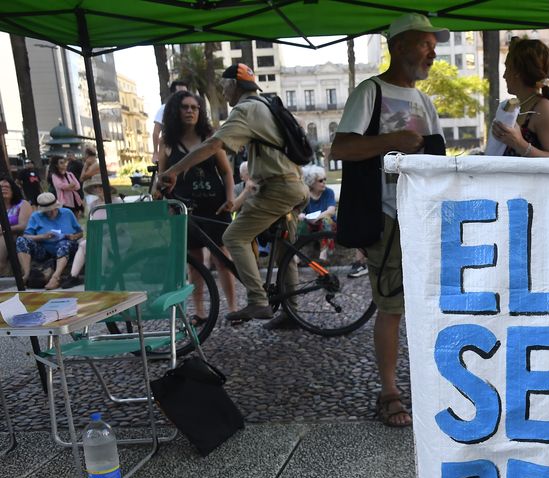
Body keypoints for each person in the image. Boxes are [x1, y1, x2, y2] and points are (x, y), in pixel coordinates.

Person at [331, 12, 449, 427]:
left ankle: (419, 383)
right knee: (393, 306)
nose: (433, 53)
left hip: (420, 218)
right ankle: (389, 392)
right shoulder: (371, 91)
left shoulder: (424, 102)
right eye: (425, 45)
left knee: (420, 305)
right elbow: (341, 148)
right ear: (398, 45)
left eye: (434, 46)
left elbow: (434, 161)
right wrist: (391, 143)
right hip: (386, 216)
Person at [158, 63, 307, 330]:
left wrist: (174, 170)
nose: (224, 93)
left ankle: (257, 300)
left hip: (277, 188)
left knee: (233, 236)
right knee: (285, 250)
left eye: (224, 87)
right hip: (294, 185)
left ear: (233, 86)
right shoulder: (266, 104)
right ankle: (292, 313)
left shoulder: (246, 109)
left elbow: (214, 144)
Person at [155, 89, 238, 315]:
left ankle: (233, 307)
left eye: (195, 107)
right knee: (195, 262)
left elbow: (226, 173)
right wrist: (158, 193)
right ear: (175, 111)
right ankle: (200, 311)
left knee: (223, 258)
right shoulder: (167, 142)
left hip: (215, 206)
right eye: (185, 107)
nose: (190, 111)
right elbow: (162, 177)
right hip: (184, 209)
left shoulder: (210, 139)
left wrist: (231, 198)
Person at [490, 37, 549, 159]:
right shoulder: (519, 105)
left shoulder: (544, 108)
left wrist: (519, 144)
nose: (504, 75)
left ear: (518, 72)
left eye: (507, 68)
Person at [14, 192, 83, 289]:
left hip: (66, 247)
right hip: (44, 249)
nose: (50, 212)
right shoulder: (36, 216)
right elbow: (26, 236)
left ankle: (55, 278)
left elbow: (80, 233)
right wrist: (42, 236)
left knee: (63, 244)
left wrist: (73, 236)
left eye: (52, 209)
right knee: (21, 240)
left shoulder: (67, 213)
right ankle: (26, 274)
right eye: (47, 211)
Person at [298, 164, 337, 263]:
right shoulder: (305, 194)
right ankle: (300, 252)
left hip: (326, 224)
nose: (324, 182)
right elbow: (298, 212)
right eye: (320, 180)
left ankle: (323, 254)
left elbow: (331, 211)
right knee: (299, 222)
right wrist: (302, 216)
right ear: (311, 182)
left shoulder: (328, 192)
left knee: (326, 219)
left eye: (325, 179)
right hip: (310, 223)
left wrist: (318, 217)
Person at [0, 176, 33, 275]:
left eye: (7, 187)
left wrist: (4, 229)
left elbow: (24, 225)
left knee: (3, 236)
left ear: (13, 189)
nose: (3, 189)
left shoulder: (22, 204)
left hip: (16, 236)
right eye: (1, 187)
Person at [152, 80, 189, 159]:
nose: (184, 96)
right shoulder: (164, 109)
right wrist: (155, 153)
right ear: (173, 94)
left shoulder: (191, 109)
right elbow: (156, 132)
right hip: (171, 149)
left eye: (186, 93)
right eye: (180, 93)